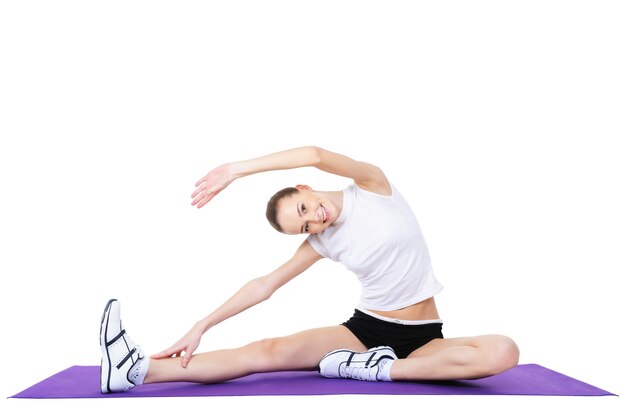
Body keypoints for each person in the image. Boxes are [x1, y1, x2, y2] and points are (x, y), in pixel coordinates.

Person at [99, 146, 519, 393]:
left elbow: (315, 154)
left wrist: (236, 171)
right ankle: (137, 370)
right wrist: (200, 325)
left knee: (503, 351)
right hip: (365, 332)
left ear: (305, 188)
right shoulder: (323, 239)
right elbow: (265, 285)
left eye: (304, 208)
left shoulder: (373, 187)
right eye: (304, 225)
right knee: (267, 352)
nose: (314, 219)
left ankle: (381, 369)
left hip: (424, 340)